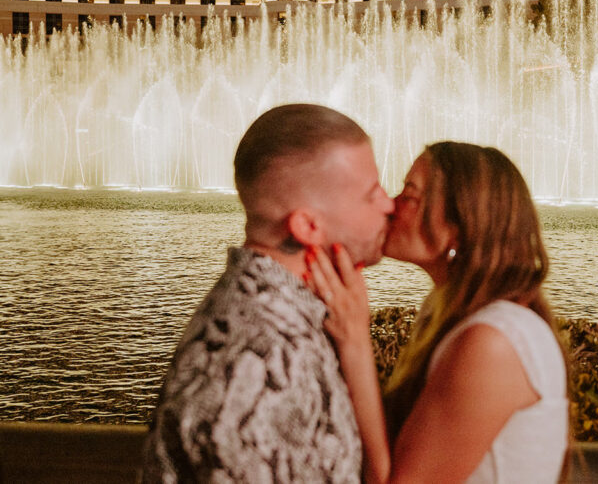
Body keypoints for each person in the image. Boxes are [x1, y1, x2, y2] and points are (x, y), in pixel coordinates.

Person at [142, 103, 394, 483]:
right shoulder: (258, 362)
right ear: (308, 226)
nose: (389, 205)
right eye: (372, 194)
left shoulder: (278, 318)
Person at [308, 141, 569, 483]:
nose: (390, 204)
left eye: (410, 195)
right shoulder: (450, 313)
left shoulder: (494, 341)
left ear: (458, 226)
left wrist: (355, 341)